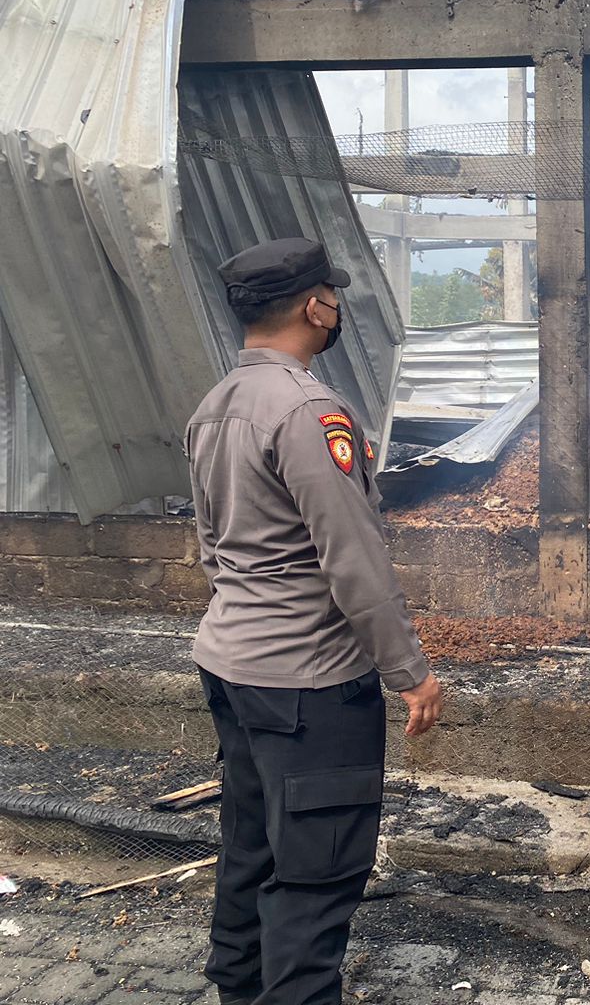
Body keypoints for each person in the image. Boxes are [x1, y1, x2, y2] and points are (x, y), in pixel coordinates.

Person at [185, 237, 442, 1005]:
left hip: (233, 664)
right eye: (332, 296)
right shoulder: (307, 409)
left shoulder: (213, 407)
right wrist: (411, 673)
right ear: (314, 306)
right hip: (309, 686)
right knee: (315, 876)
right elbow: (353, 558)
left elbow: (210, 546)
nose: (336, 309)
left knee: (251, 852)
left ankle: (239, 992)